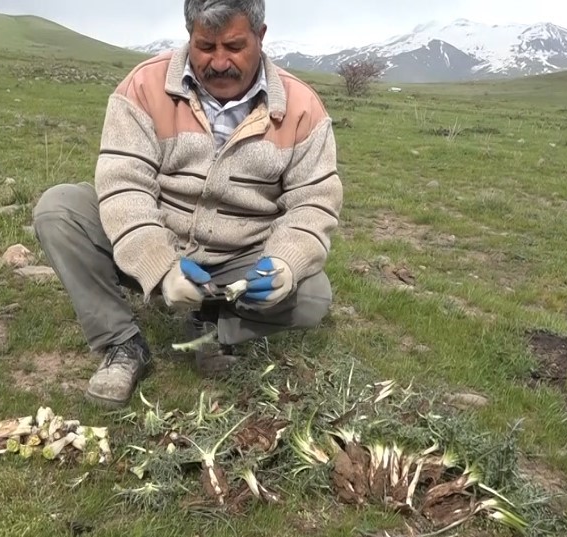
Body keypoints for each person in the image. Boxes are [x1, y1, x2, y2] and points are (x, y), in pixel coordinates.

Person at [32, 0, 343, 409]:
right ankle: (122, 343)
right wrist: (161, 268)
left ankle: (213, 327)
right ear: (189, 36)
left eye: (233, 46)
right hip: (156, 235)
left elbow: (314, 203)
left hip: (240, 258)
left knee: (312, 295)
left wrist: (286, 261)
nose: (218, 62)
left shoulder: (303, 108)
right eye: (205, 46)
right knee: (60, 210)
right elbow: (124, 186)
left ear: (260, 36)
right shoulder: (143, 87)